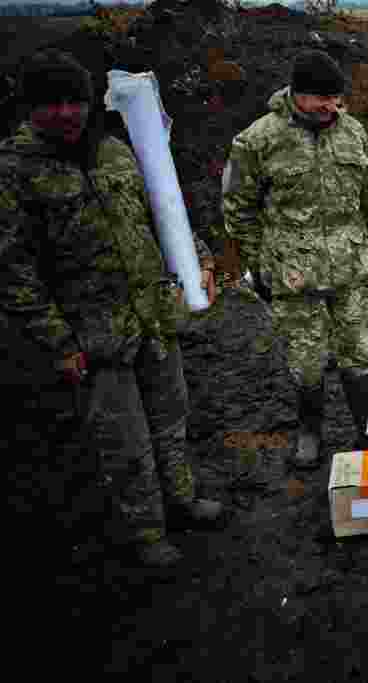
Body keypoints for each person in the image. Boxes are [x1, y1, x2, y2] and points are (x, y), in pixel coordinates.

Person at [0, 49, 223, 568]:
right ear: (30, 109)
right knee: (124, 439)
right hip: (91, 333)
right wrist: (57, 340)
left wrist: (200, 262)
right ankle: (146, 533)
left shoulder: (116, 151)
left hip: (151, 315)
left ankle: (183, 500)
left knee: (170, 417)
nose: (65, 113)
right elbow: (14, 272)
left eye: (73, 101)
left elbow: (164, 209)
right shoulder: (15, 172)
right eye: (50, 103)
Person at [219, 49, 368, 468]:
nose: (330, 107)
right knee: (306, 361)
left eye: (335, 99)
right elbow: (238, 208)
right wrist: (258, 264)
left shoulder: (354, 134)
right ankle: (309, 431)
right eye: (321, 98)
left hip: (349, 270)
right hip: (294, 274)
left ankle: (366, 428)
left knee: (358, 353)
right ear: (295, 94)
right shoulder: (258, 140)